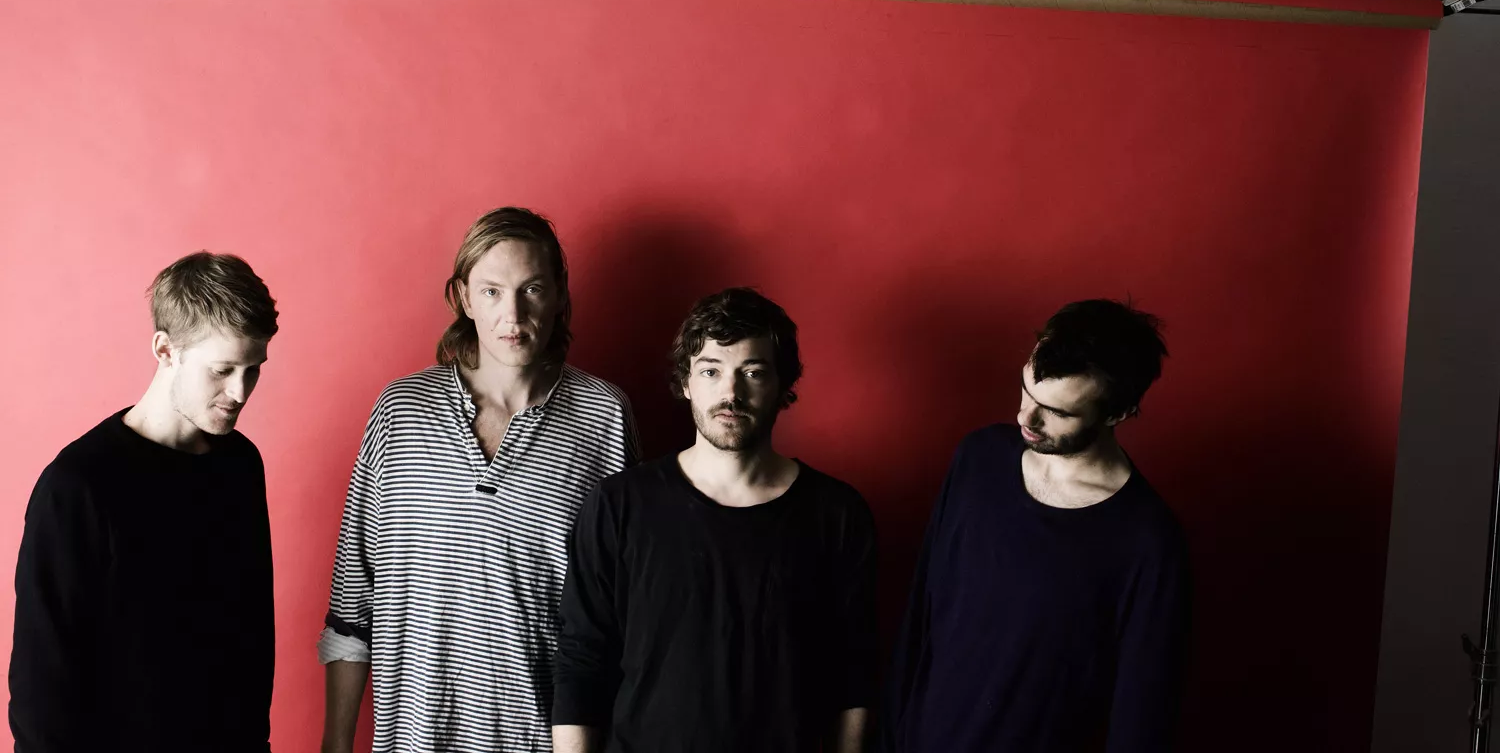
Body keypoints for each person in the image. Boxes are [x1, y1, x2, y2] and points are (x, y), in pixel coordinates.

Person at [319, 207, 638, 753]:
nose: (513, 314)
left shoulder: (603, 414)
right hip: (413, 739)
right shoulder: (400, 411)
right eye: (492, 291)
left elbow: (620, 613)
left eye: (532, 288)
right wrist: (336, 744)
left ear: (560, 293)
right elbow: (353, 600)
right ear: (464, 297)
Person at [552, 287, 878, 753]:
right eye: (711, 371)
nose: (731, 393)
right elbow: (582, 661)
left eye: (753, 372)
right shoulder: (618, 506)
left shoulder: (838, 515)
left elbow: (855, 674)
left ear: (783, 385)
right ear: (686, 382)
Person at [883, 298, 1191, 753]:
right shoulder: (978, 458)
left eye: (1058, 412)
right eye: (1027, 390)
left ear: (1117, 413)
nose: (1026, 418)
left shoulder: (1147, 540)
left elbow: (1142, 713)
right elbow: (923, 612)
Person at [9, 252, 279, 753]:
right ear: (165, 349)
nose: (240, 392)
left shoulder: (241, 463)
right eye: (222, 369)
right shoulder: (78, 486)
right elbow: (40, 687)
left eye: (253, 370)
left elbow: (253, 637)